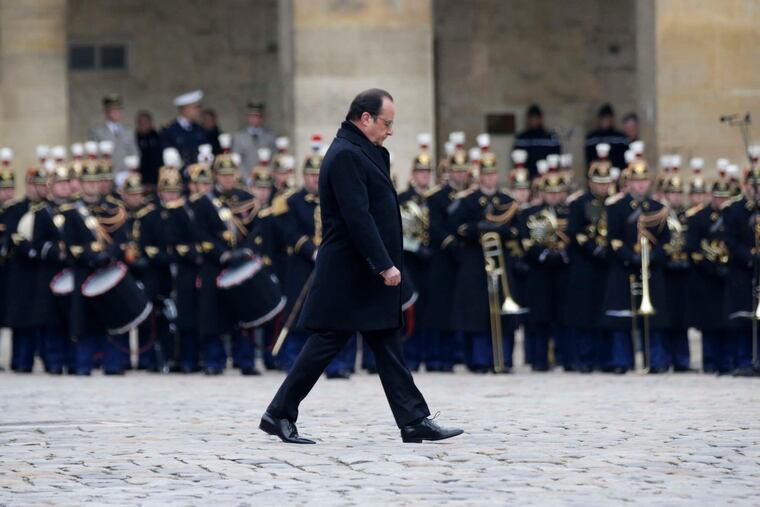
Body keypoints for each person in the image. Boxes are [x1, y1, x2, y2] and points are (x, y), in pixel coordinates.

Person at [260, 89, 462, 444]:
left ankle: (413, 419)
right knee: (325, 342)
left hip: (364, 271)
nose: (390, 131)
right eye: (387, 122)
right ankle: (278, 413)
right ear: (365, 118)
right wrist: (384, 264)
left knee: (386, 341)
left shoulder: (367, 152)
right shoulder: (345, 155)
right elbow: (358, 217)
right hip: (350, 272)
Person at [88, 93, 138, 176]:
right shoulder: (97, 132)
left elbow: (134, 153)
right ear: (106, 112)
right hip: (106, 175)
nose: (117, 113)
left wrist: (132, 170)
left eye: (119, 110)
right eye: (113, 110)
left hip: (126, 174)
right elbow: (94, 155)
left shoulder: (128, 131)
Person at [512, 104, 562, 178]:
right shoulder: (522, 138)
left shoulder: (551, 138)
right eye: (531, 119)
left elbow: (557, 158)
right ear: (528, 119)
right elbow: (516, 159)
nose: (533, 121)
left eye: (536, 118)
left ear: (541, 118)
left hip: (547, 178)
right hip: (527, 178)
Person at [161, 90, 208, 167]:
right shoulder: (169, 130)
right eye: (196, 107)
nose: (199, 111)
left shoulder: (199, 129)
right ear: (185, 109)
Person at [231, 101, 277, 181]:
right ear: (248, 118)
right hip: (245, 180)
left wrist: (266, 175)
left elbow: (274, 158)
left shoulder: (270, 136)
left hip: (265, 179)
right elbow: (237, 160)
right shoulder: (239, 137)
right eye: (252, 116)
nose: (255, 119)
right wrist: (247, 178)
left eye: (257, 117)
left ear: (262, 118)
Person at [585, 104, 629, 171]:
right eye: (603, 118)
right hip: (598, 174)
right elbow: (589, 159)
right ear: (599, 119)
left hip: (617, 173)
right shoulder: (592, 138)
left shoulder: (620, 138)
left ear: (612, 119)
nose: (605, 121)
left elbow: (625, 158)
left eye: (607, 118)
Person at [135, 111, 163, 187]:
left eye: (145, 122)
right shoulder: (134, 138)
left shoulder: (158, 137)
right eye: (140, 122)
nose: (143, 124)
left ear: (151, 123)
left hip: (156, 178)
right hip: (139, 177)